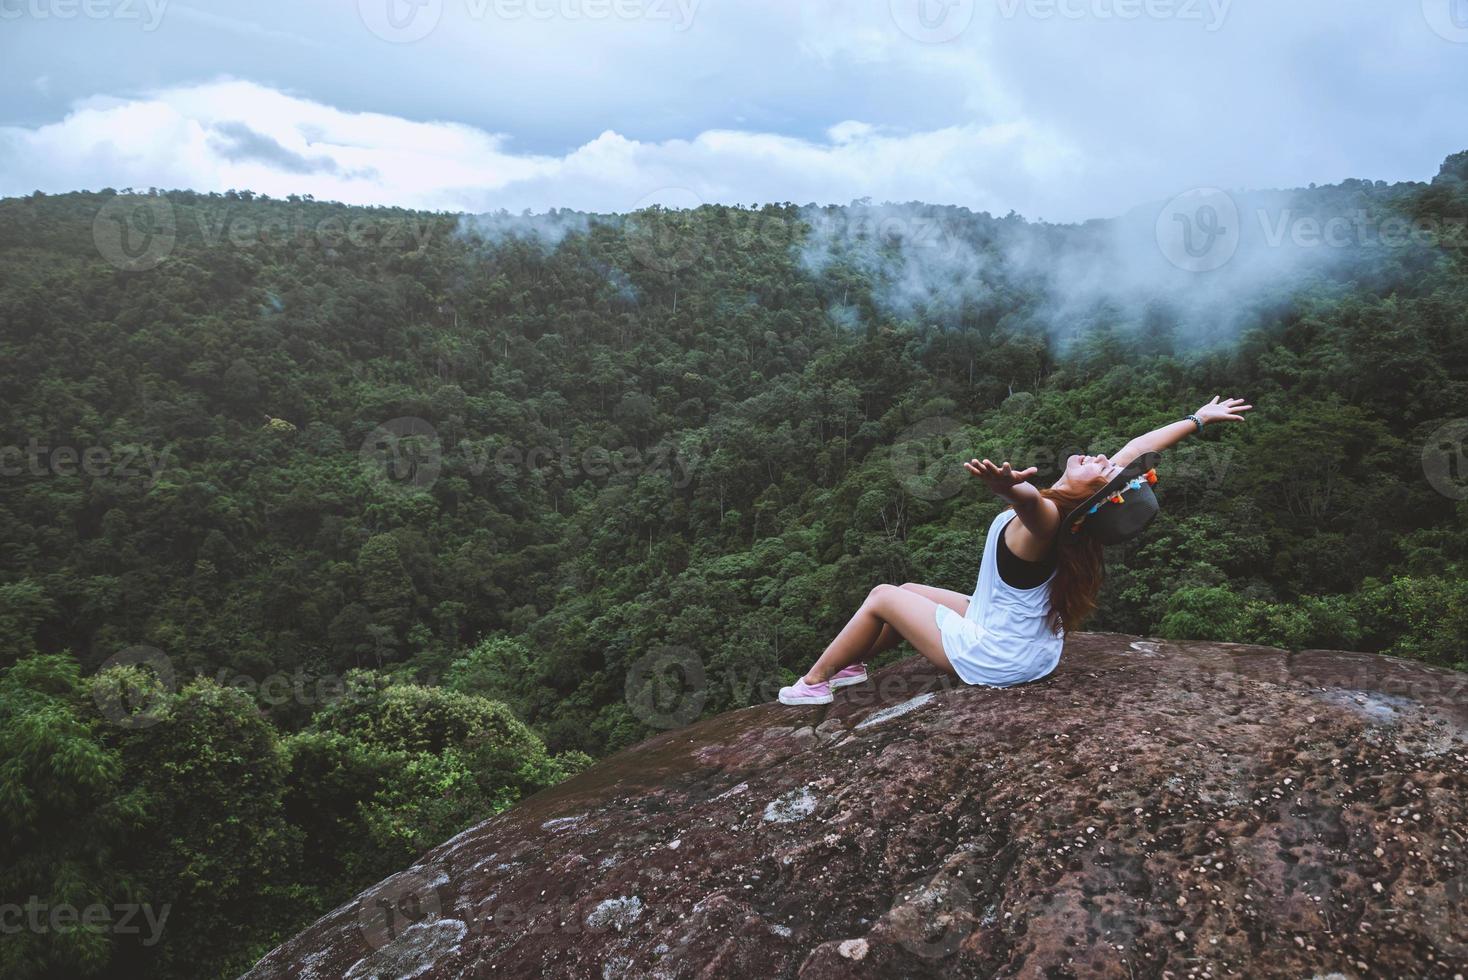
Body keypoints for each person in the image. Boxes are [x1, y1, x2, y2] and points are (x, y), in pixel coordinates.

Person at [777, 397, 1253, 704]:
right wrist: (1197, 419)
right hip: (1027, 644)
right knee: (908, 590)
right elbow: (1138, 447)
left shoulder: (1049, 520)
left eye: (1103, 470)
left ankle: (814, 683)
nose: (1104, 460)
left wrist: (1009, 489)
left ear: (1093, 495)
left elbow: (1031, 508)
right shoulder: (1082, 516)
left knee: (883, 593)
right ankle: (854, 664)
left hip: (998, 658)